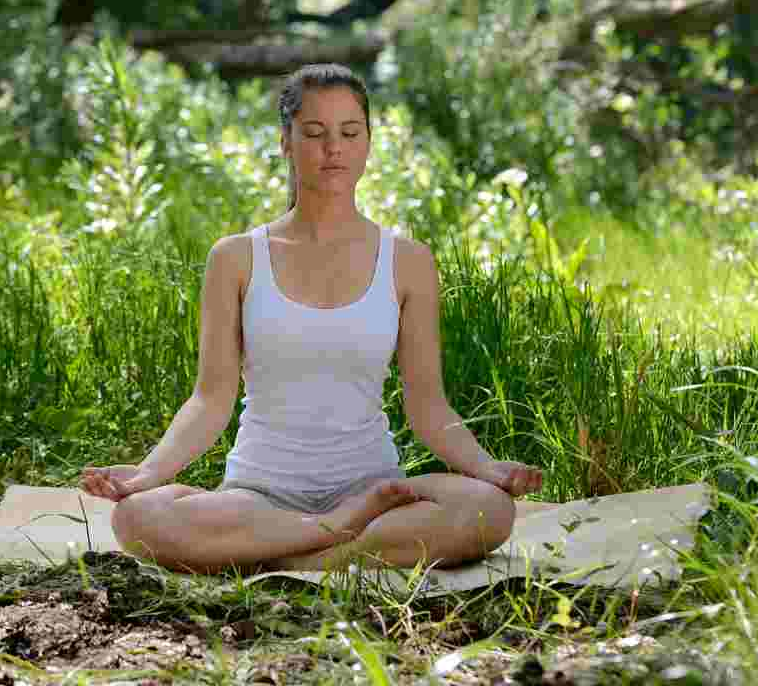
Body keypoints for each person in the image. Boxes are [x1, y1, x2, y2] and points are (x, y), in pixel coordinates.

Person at [80, 63, 544, 574]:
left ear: (368, 143)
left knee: (488, 510)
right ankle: (331, 538)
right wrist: (146, 476)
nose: (334, 149)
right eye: (314, 133)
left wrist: (487, 468)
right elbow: (210, 399)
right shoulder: (236, 258)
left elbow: (428, 404)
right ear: (285, 142)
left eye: (350, 132)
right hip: (260, 496)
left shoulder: (407, 260)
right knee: (139, 519)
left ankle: (298, 557)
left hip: (374, 490)